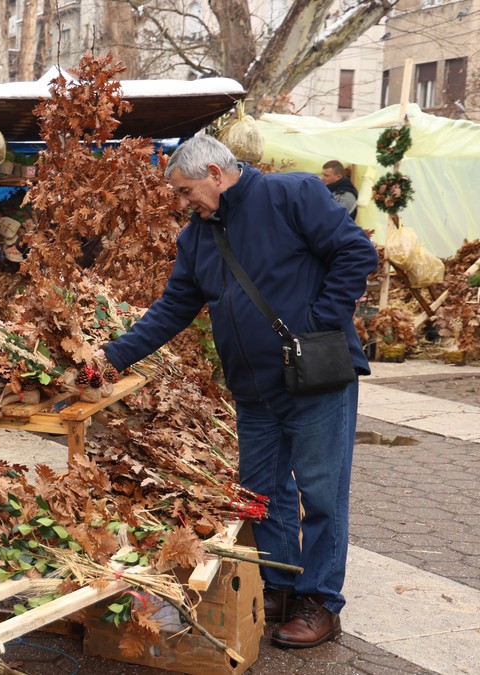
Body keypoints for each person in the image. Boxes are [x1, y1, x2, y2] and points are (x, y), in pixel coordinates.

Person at [98, 135, 378, 649]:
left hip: (314, 378)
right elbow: (173, 308)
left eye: (185, 192)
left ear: (213, 171)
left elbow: (356, 253)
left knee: (320, 495)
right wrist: (111, 356)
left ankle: (320, 603)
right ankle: (278, 585)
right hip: (254, 392)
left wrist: (319, 321)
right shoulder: (196, 238)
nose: (183, 204)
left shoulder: (292, 195)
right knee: (262, 495)